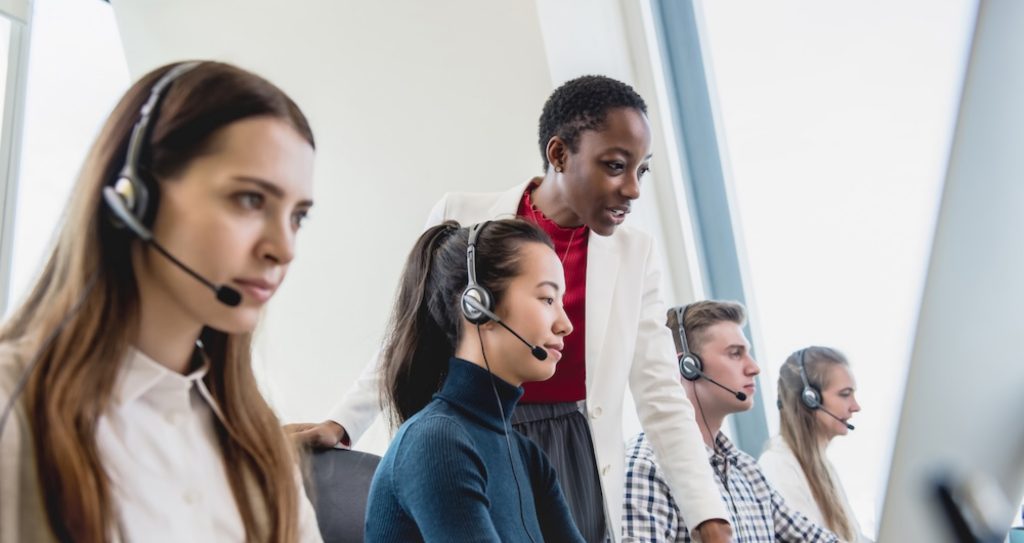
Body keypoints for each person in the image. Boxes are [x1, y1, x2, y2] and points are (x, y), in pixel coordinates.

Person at [289, 75, 731, 542]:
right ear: (560, 155)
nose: (633, 189)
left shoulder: (634, 253)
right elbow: (409, 332)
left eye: (641, 170)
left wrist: (709, 519)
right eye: (616, 166)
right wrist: (342, 425)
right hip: (475, 428)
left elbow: (661, 393)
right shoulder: (466, 221)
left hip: (569, 449)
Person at [0, 61, 321, 542]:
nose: (284, 247)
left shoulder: (255, 444)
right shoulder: (14, 408)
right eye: (251, 200)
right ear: (135, 197)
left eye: (297, 216)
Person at [364, 219, 583, 542]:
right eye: (548, 299)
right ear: (478, 305)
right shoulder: (437, 442)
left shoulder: (526, 455)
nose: (565, 325)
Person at [624, 301, 839, 542]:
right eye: (735, 353)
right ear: (687, 367)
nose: (754, 368)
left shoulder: (746, 471)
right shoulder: (646, 466)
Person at [759, 347, 870, 542]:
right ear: (810, 398)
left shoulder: (823, 466)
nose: (855, 406)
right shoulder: (778, 466)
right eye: (845, 394)